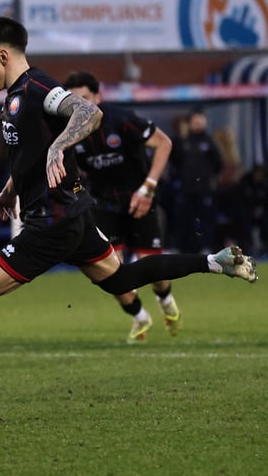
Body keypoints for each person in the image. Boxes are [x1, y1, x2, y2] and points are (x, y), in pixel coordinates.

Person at [0, 16, 258, 413]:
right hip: (71, 217)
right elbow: (27, 156)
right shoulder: (14, 95)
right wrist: (10, 190)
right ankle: (215, 262)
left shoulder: (38, 87)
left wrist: (59, 146)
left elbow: (88, 112)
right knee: (122, 278)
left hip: (51, 225)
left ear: (3, 55)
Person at [62, 71, 178, 341]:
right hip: (104, 206)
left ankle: (165, 298)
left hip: (140, 199)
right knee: (108, 270)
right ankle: (140, 317)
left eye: (85, 99)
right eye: (73, 100)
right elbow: (72, 174)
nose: (79, 106)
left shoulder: (122, 120)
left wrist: (148, 188)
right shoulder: (66, 132)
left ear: (98, 98)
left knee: (153, 268)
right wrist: (80, 194)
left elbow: (164, 143)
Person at [170, 109, 224, 253]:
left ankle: (206, 247)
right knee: (183, 219)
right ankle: (180, 247)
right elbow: (174, 160)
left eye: (200, 121)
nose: (198, 125)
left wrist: (210, 177)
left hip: (204, 188)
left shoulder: (209, 141)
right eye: (195, 122)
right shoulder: (182, 141)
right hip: (186, 187)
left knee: (206, 219)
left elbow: (218, 163)